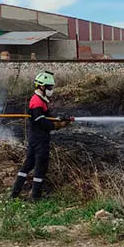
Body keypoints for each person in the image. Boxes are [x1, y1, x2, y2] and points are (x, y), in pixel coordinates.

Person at [10, 71, 74, 201]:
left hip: (35, 138)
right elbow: (41, 121)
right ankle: (35, 196)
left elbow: (46, 117)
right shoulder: (37, 101)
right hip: (39, 139)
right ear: (42, 87)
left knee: (28, 164)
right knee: (40, 166)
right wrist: (57, 126)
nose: (51, 90)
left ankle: (14, 193)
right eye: (49, 87)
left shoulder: (40, 99)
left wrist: (59, 119)